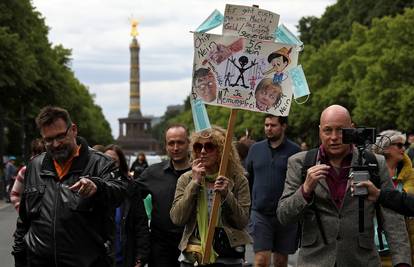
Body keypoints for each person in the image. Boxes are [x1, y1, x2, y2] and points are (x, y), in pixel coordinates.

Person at [277, 104, 412, 266]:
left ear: (352, 129)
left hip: (361, 261)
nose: (334, 137)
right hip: (315, 261)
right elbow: (284, 216)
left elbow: (392, 218)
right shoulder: (300, 163)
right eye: (327, 130)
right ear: (320, 131)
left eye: (341, 130)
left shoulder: (374, 163)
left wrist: (402, 262)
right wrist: (305, 190)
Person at [12, 106, 127, 267]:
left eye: (60, 136)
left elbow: (120, 191)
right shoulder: (34, 166)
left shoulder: (100, 164)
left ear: (73, 130)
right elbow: (24, 221)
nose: (56, 144)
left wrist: (98, 187)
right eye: (49, 140)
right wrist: (19, 255)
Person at [170, 126, 251, 266]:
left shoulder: (238, 180)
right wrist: (194, 184)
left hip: (227, 256)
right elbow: (177, 218)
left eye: (209, 147)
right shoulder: (186, 179)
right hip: (193, 256)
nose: (202, 151)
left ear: (222, 151)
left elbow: (242, 222)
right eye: (197, 147)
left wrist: (227, 195)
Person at [245, 115, 300, 267]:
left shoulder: (295, 151)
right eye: (266, 125)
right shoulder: (255, 149)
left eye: (273, 125)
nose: (268, 128)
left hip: (285, 214)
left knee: (280, 261)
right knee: (261, 259)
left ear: (283, 126)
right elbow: (247, 178)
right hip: (260, 213)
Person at [137, 124, 191, 267]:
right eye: (171, 143)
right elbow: (130, 196)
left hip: (193, 243)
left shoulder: (201, 173)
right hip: (160, 246)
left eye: (180, 142)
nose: (175, 148)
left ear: (189, 143)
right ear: (165, 146)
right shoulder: (152, 173)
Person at [104, 144, 150, 267]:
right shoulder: (93, 188)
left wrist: (141, 256)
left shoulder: (131, 187)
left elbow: (141, 223)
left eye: (114, 162)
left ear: (121, 164)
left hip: (125, 256)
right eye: (106, 160)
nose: (110, 165)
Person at [373, 130, 414, 265]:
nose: (403, 149)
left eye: (404, 145)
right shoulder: (370, 174)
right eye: (399, 145)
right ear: (385, 147)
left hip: (406, 248)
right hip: (373, 248)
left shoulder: (411, 176)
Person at [10, 138, 45, 211]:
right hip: (32, 218)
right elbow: (14, 194)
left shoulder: (53, 168)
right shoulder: (25, 170)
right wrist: (23, 213)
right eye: (37, 152)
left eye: (41, 152)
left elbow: (14, 194)